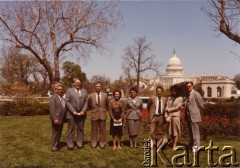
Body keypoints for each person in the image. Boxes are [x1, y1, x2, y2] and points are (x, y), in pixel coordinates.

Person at [65, 78, 88, 149]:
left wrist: (83, 111)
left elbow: (86, 102)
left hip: (81, 114)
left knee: (80, 129)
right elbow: (67, 101)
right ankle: (70, 144)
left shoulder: (84, 91)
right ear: (74, 83)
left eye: (79, 83)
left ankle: (79, 143)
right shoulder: (69, 90)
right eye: (77, 83)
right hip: (72, 114)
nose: (78, 84)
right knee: (71, 130)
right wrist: (73, 111)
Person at [88, 82, 109, 149]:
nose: (98, 87)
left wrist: (103, 110)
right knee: (94, 130)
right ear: (95, 87)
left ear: (101, 87)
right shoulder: (91, 95)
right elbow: (89, 105)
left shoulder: (105, 95)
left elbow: (107, 104)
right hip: (94, 114)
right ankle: (94, 143)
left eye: (99, 86)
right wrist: (94, 110)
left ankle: (102, 143)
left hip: (102, 114)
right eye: (96, 86)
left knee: (102, 130)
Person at [185, 81, 205, 153]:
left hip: (195, 116)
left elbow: (201, 105)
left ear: (193, 86)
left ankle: (196, 147)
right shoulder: (188, 94)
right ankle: (191, 145)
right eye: (187, 86)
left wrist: (200, 114)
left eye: (189, 86)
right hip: (188, 116)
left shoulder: (196, 94)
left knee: (196, 133)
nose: (188, 88)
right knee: (191, 132)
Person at [165, 85, 183, 151]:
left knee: (175, 131)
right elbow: (166, 107)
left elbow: (177, 108)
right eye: (172, 91)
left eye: (174, 91)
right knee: (171, 131)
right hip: (169, 117)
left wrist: (168, 110)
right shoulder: (169, 98)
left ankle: (175, 145)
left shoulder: (180, 98)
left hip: (175, 116)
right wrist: (166, 116)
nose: (173, 92)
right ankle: (173, 143)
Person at [49, 83, 66, 151]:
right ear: (55, 90)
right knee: (55, 132)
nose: (60, 91)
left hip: (61, 118)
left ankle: (57, 143)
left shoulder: (61, 97)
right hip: (56, 119)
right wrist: (54, 118)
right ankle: (53, 145)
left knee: (59, 132)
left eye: (61, 89)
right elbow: (52, 109)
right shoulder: (53, 97)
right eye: (58, 89)